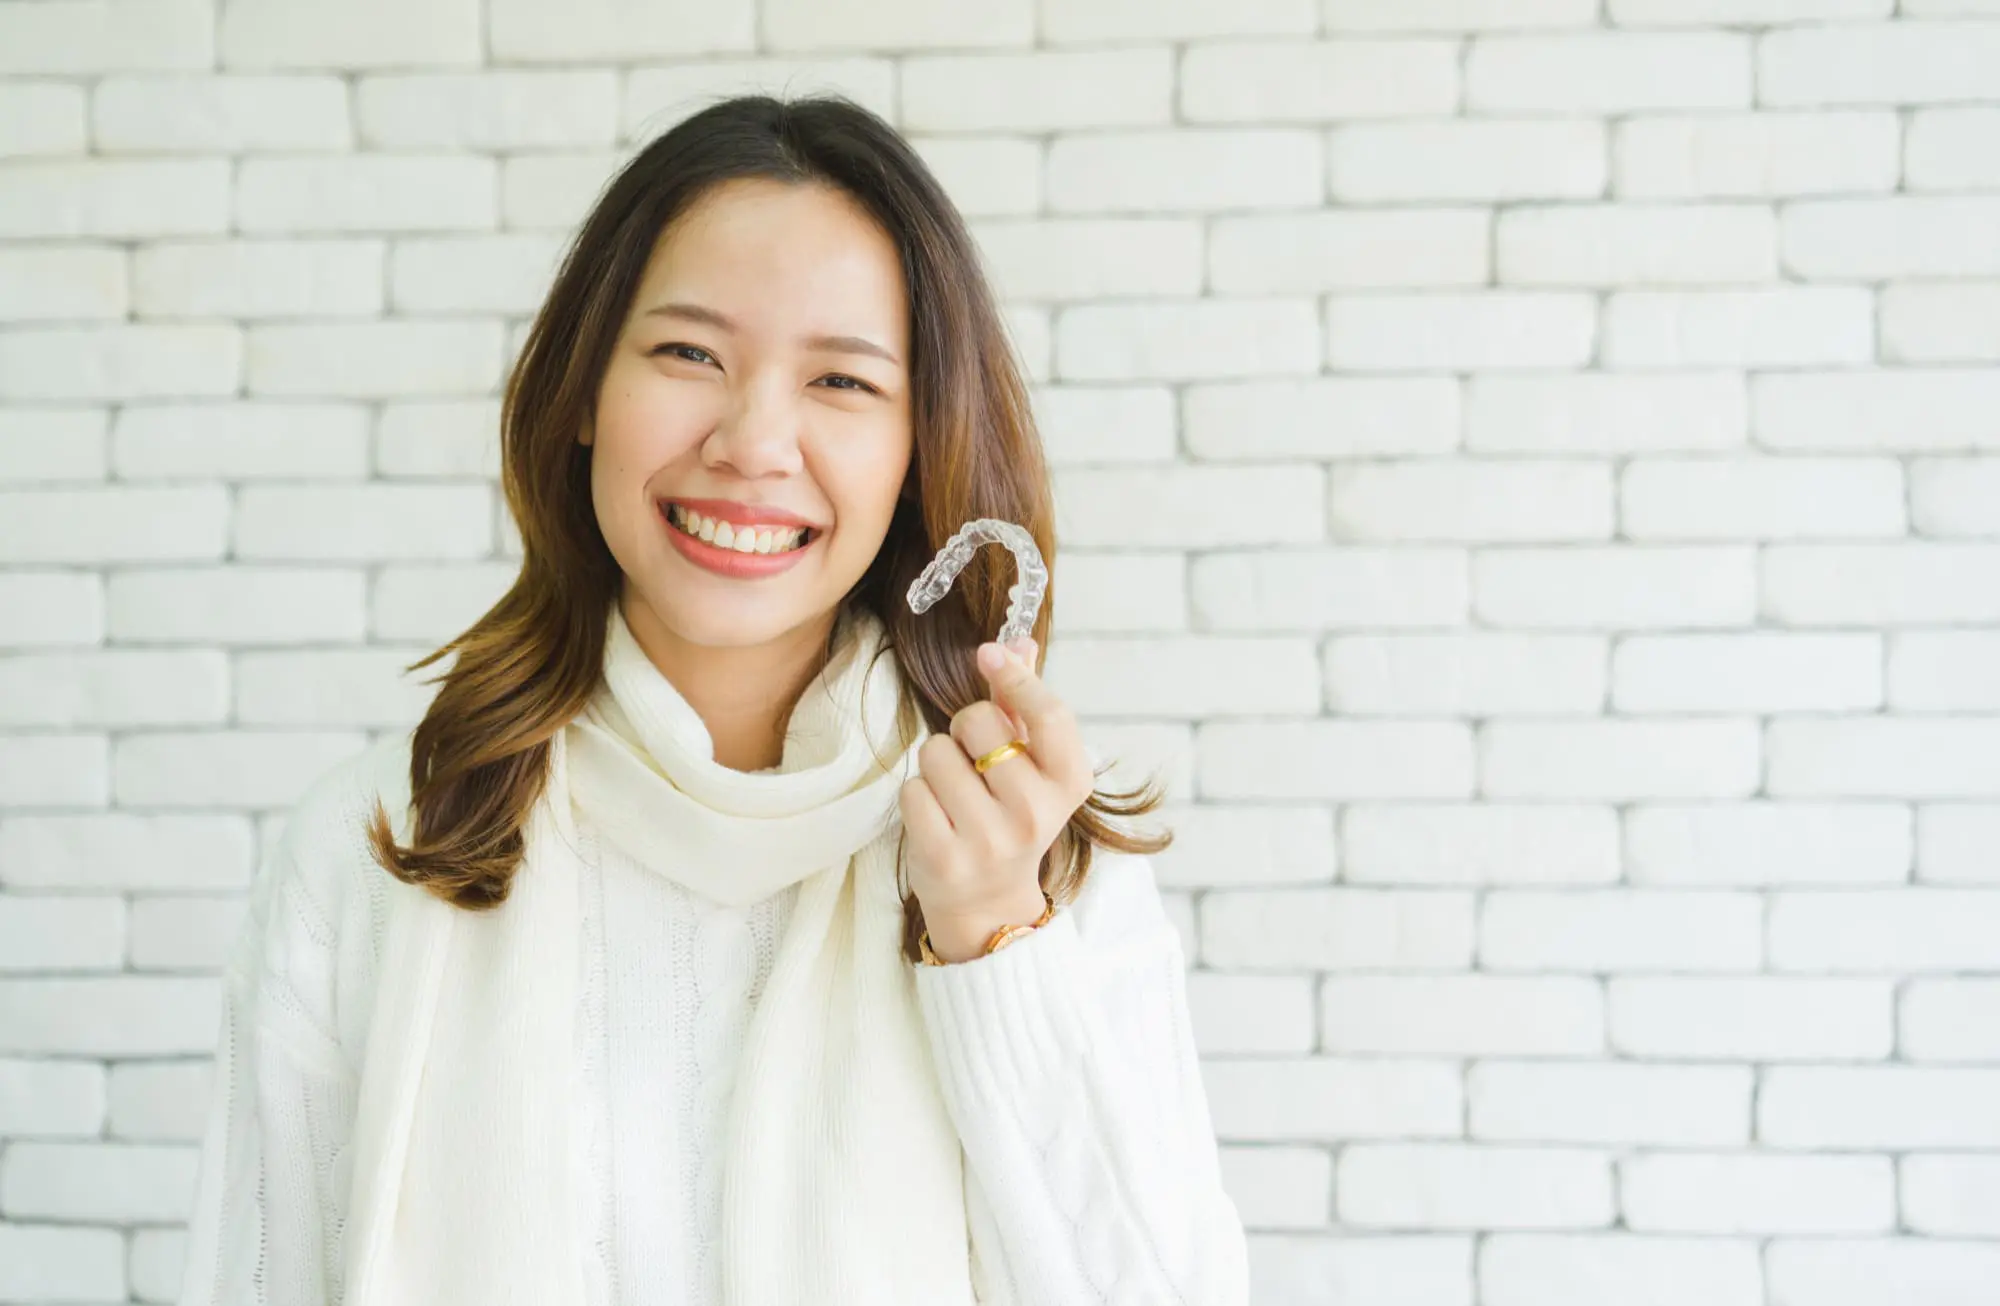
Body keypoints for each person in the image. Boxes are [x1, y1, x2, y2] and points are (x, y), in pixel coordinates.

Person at [175, 93, 1249, 1306]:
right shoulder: (376, 848)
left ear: (914, 448)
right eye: (689, 354)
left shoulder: (1036, 852)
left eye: (841, 381)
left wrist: (993, 941)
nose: (753, 440)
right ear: (583, 391)